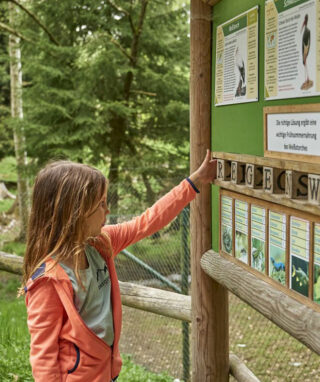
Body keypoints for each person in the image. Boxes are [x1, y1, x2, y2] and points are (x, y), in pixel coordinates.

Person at [19, 150, 216, 381]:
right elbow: (43, 359)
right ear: (75, 212)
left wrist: (194, 182)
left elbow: (147, 221)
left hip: (107, 373)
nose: (108, 211)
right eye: (101, 204)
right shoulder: (48, 281)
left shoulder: (101, 243)